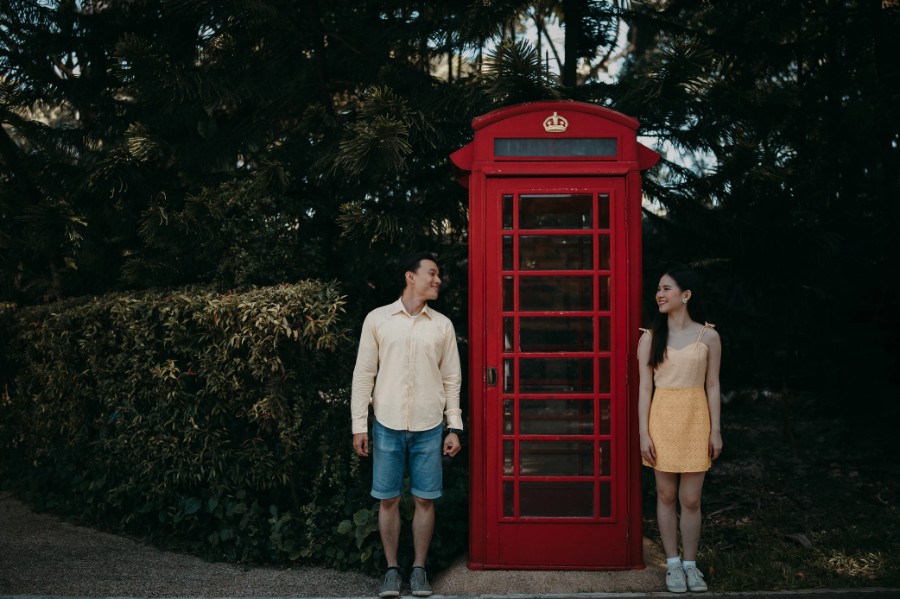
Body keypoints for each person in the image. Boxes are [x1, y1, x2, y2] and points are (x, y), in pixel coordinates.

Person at [351, 253, 463, 598]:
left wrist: (454, 426)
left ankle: (418, 570)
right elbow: (363, 374)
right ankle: (390, 571)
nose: (438, 280)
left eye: (439, 275)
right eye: (432, 273)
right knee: (387, 500)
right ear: (410, 277)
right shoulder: (378, 319)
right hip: (387, 423)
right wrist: (359, 425)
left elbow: (452, 379)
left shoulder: (442, 325)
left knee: (425, 500)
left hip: (430, 426)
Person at [637, 267, 723, 594]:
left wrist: (715, 430)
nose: (660, 294)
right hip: (662, 419)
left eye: (667, 289)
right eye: (658, 289)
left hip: (695, 418)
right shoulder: (649, 338)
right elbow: (645, 389)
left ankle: (691, 564)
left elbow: (713, 384)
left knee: (690, 498)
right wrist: (644, 433)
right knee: (666, 494)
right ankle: (672, 565)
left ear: (685, 295)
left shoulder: (709, 337)